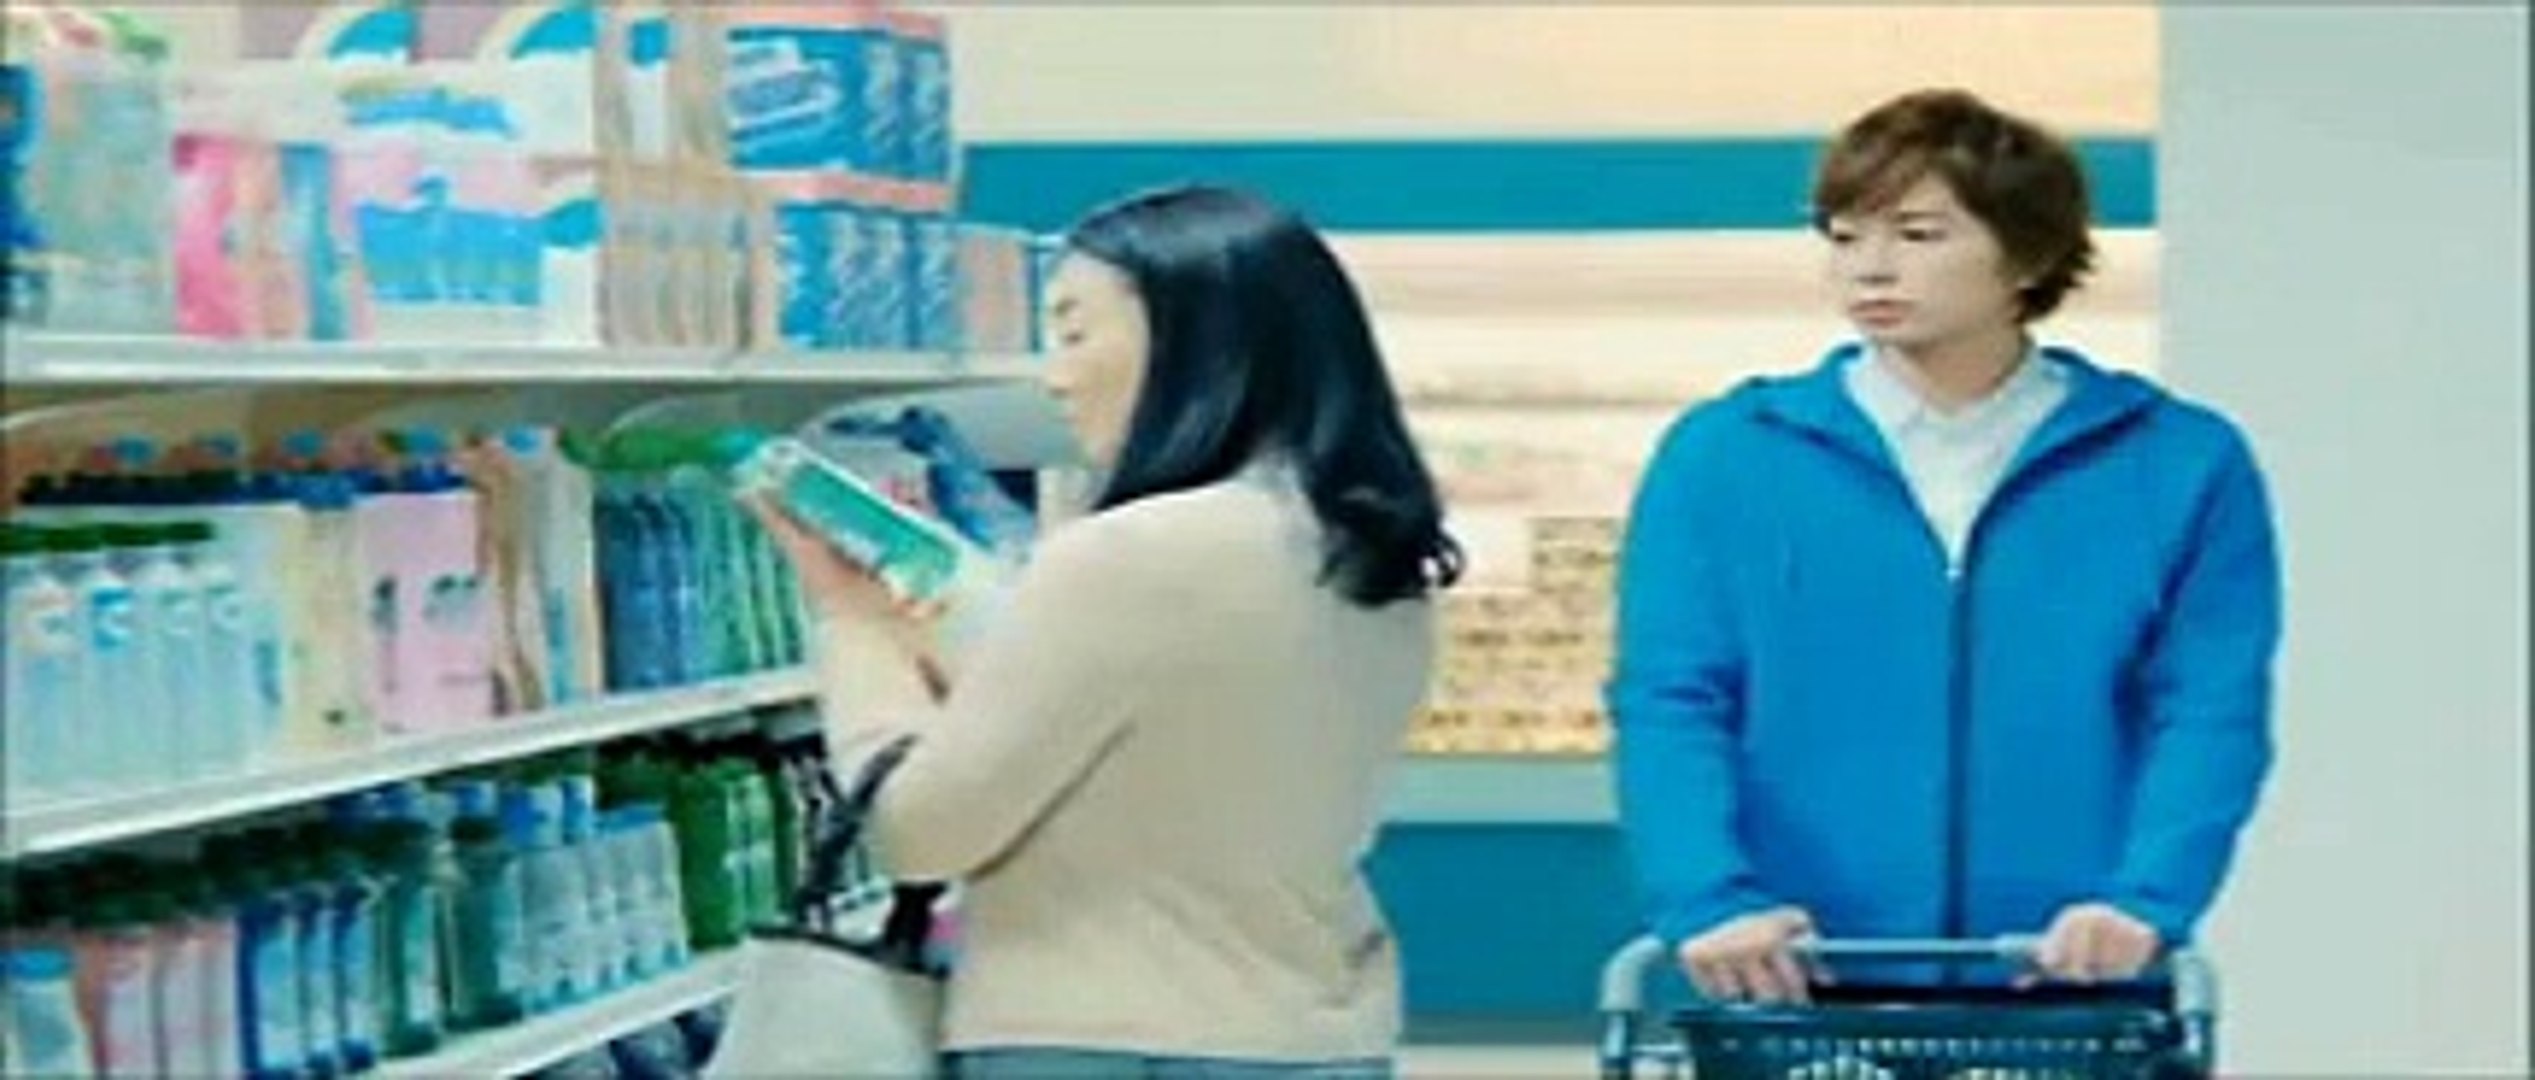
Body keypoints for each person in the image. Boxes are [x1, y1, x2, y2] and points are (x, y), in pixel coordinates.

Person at [751, 184, 1461, 1077]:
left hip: (1112, 1041)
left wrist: (853, 625)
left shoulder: (1133, 553)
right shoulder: (1369, 556)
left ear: (1195, 340)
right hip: (1316, 1034)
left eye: (1076, 332)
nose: (1055, 377)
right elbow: (1164, 762)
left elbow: (917, 834)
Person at [1608, 88, 2281, 1004]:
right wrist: (1706, 900)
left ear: (2028, 254)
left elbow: (2208, 708)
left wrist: (2145, 901)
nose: (1869, 268)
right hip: (1786, 970)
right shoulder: (1726, 454)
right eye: (1844, 236)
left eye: (1918, 235)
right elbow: (1670, 699)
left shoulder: (2177, 461)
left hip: (2072, 971)